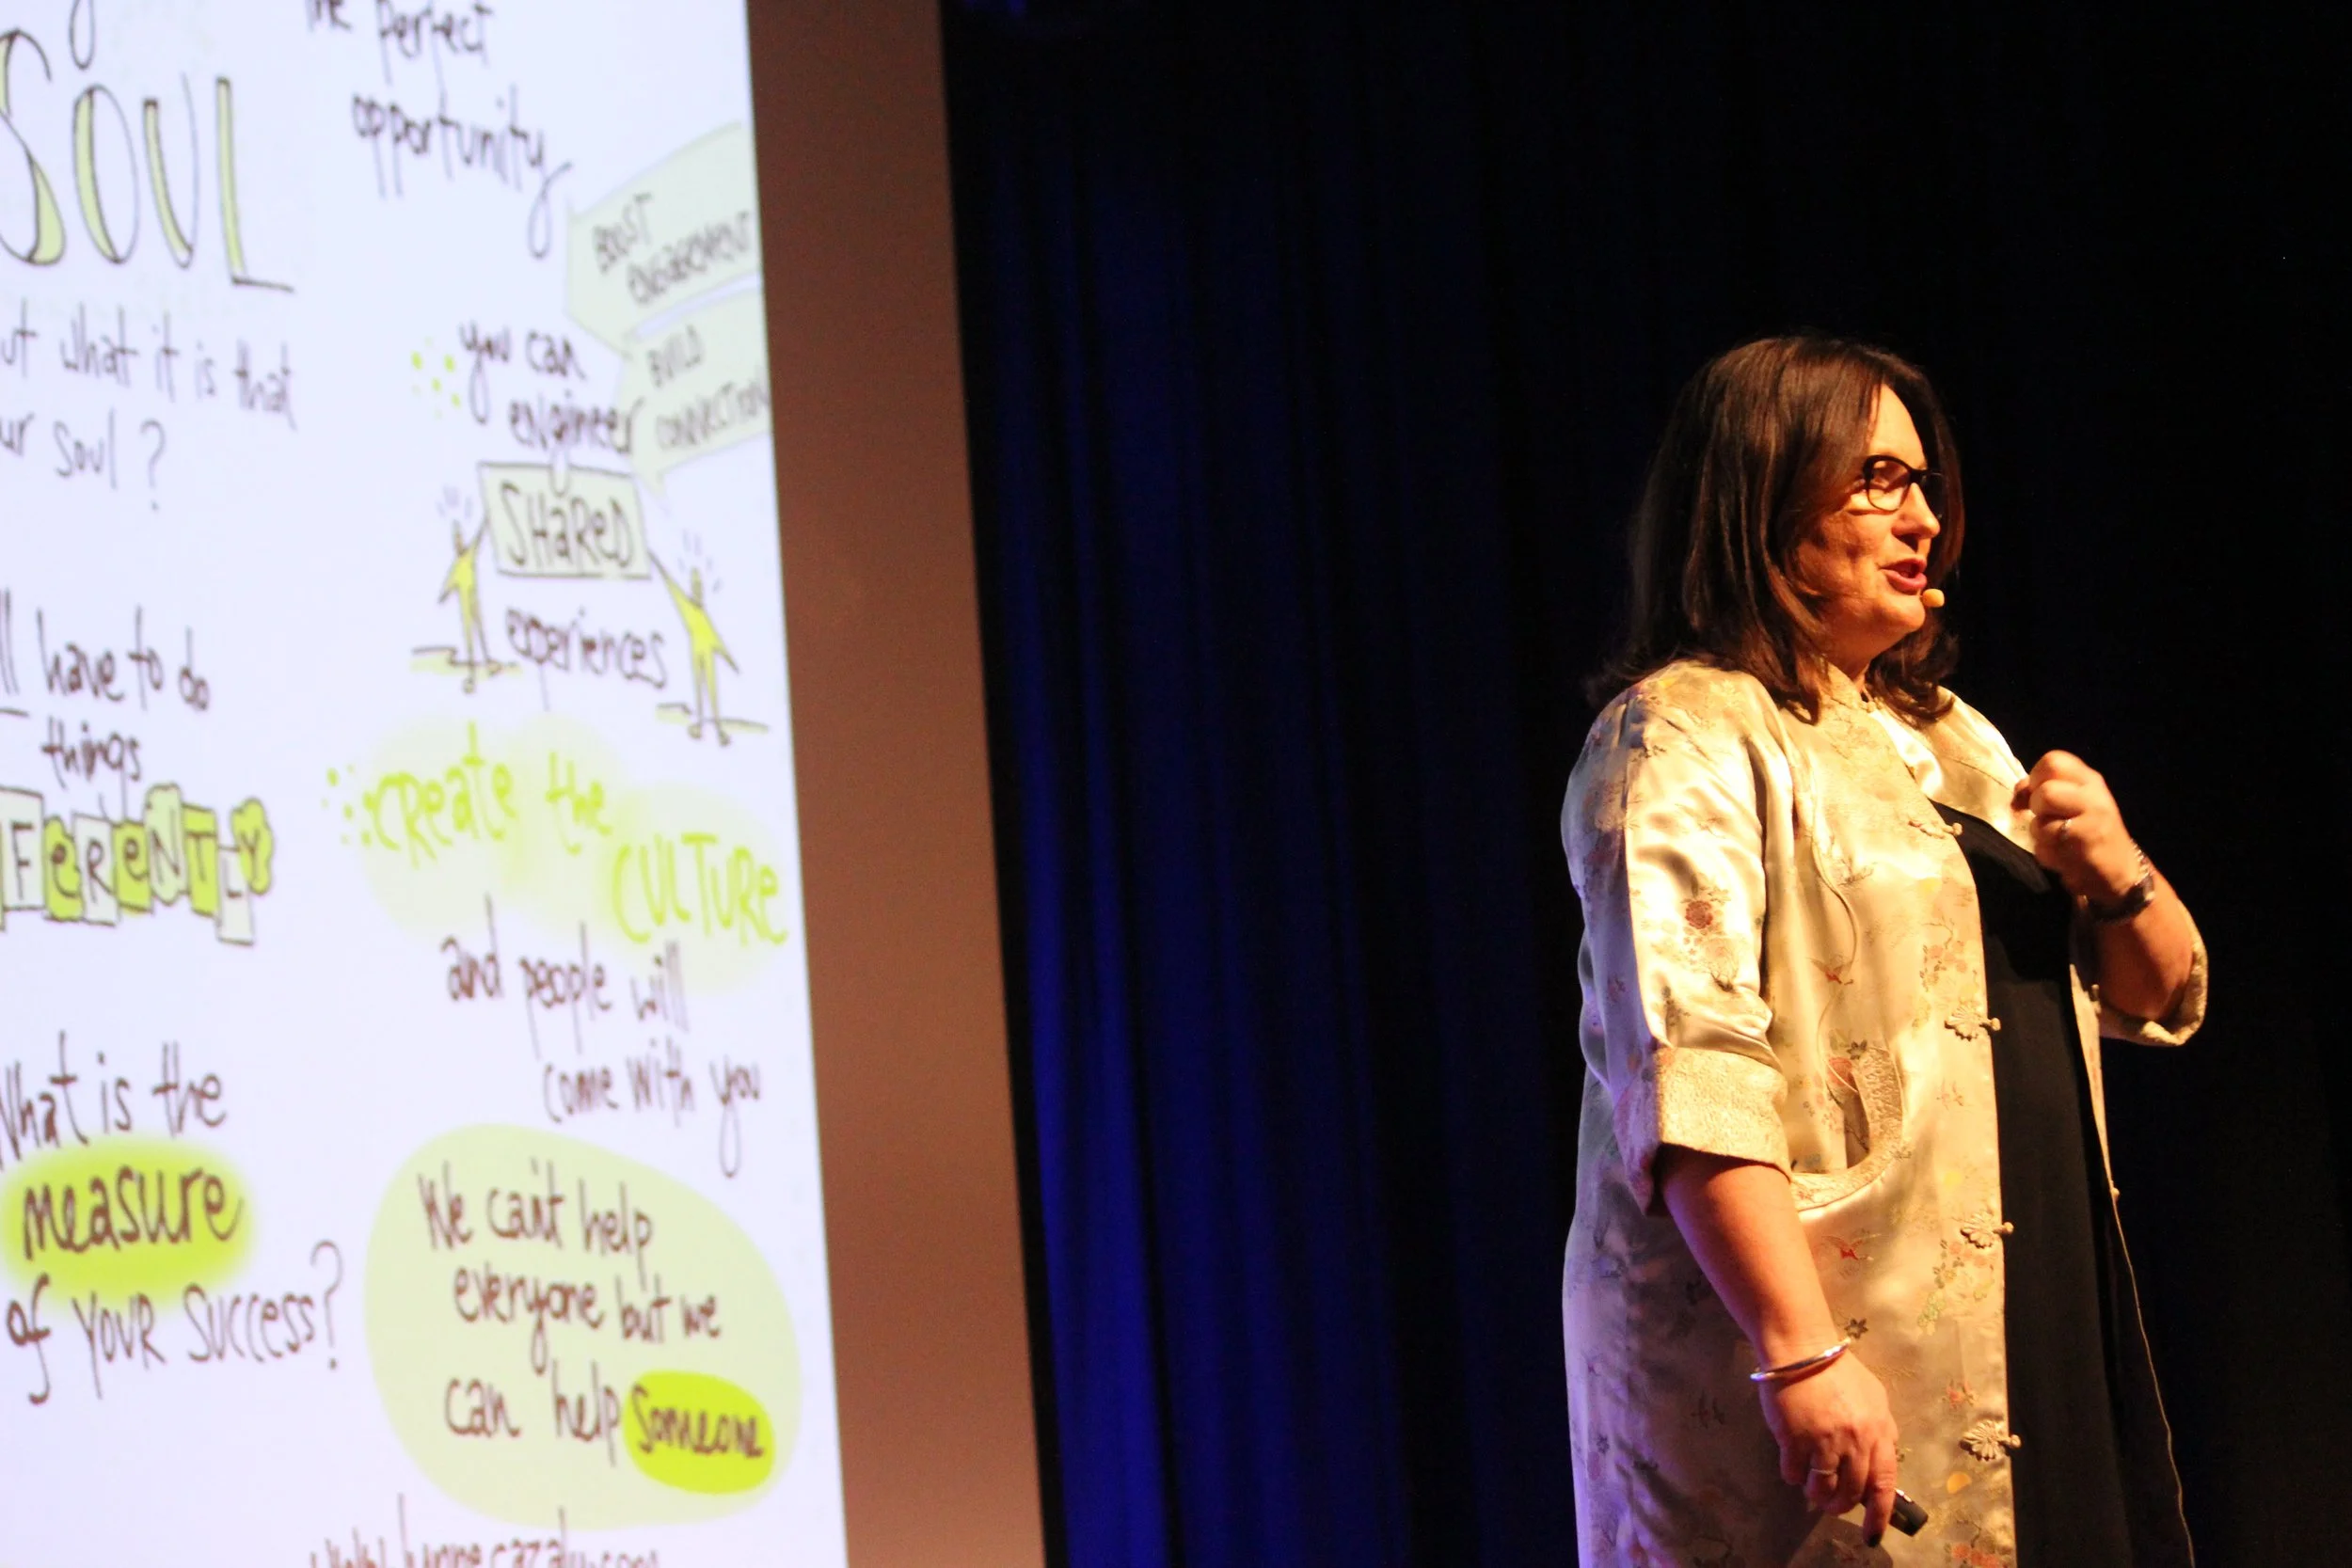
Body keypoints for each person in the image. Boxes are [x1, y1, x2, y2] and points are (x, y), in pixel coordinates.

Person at [1560, 335, 2204, 1567]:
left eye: (1925, 483)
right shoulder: (1682, 729)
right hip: (1835, 1334)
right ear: (1760, 494)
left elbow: (2158, 995)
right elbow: (1688, 1063)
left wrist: (2117, 870)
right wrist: (1799, 1346)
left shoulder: (1953, 739)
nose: (1924, 517)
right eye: (1877, 480)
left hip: (2029, 1320)